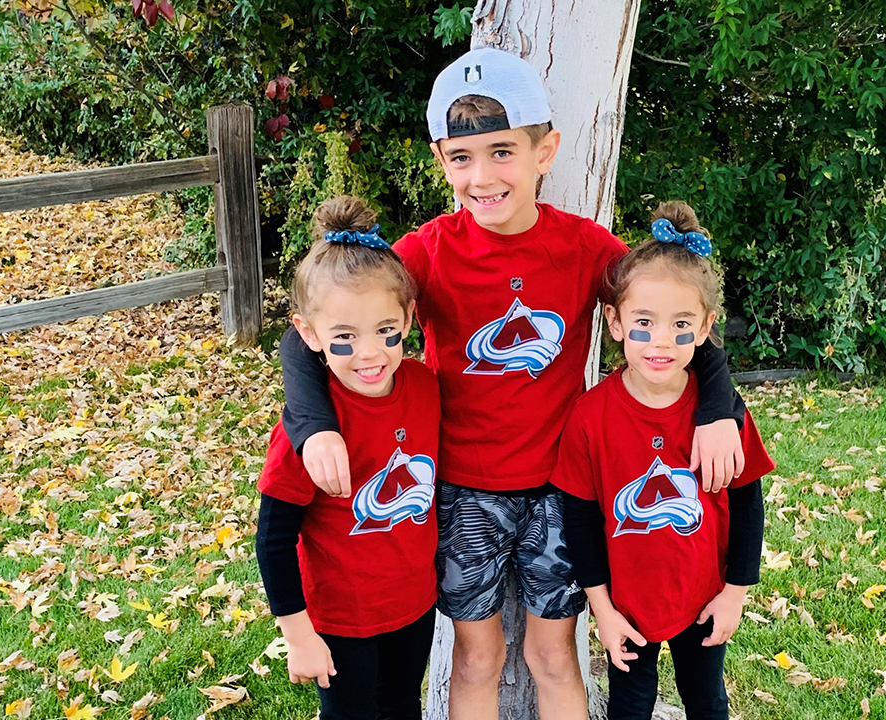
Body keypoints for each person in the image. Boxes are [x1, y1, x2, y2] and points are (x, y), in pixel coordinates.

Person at [278, 48, 747, 720]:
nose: (483, 176)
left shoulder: (587, 248)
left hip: (561, 490)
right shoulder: (424, 253)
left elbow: (674, 317)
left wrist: (717, 408)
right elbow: (311, 331)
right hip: (462, 493)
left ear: (545, 151)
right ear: (442, 161)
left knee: (554, 657)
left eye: (502, 152)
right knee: (477, 658)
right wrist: (314, 425)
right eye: (461, 157)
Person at [552, 202, 775, 720]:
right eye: (644, 322)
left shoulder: (722, 421)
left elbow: (747, 507)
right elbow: (580, 520)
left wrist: (736, 593)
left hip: (703, 596)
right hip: (627, 604)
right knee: (630, 705)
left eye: (680, 325)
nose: (660, 341)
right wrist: (601, 610)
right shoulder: (589, 418)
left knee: (707, 701)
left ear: (705, 328)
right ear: (615, 322)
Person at [255, 196, 440, 720]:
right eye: (344, 338)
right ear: (308, 333)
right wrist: (297, 634)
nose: (370, 353)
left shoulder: (425, 388)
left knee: (402, 706)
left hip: (413, 605)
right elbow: (272, 539)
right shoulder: (308, 434)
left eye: (386, 332)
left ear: (408, 317)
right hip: (340, 619)